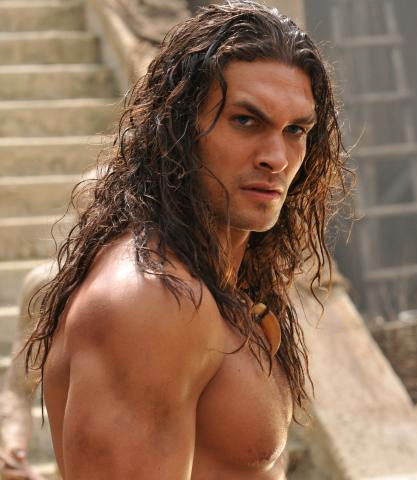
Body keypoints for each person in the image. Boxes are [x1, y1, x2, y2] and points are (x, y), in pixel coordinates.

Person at [24, 1, 349, 478]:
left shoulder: (221, 282)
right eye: (246, 121)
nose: (277, 157)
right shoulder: (151, 299)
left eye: (296, 130)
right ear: (177, 128)